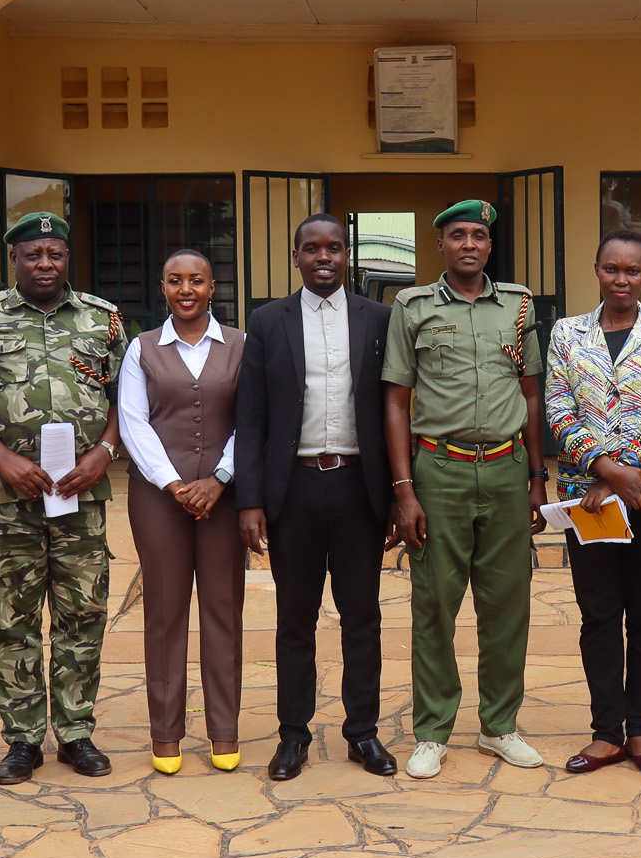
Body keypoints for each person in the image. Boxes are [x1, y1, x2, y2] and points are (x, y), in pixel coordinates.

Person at [0, 212, 126, 784]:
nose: (45, 264)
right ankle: (23, 738)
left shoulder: (102, 320)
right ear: (14, 260)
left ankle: (76, 732)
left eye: (54, 254)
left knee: (83, 613)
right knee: (14, 619)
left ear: (66, 256)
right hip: (11, 498)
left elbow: (130, 399)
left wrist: (103, 452)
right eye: (33, 255)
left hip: (83, 493)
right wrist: (3, 461)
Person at [383, 199, 548, 780]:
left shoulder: (520, 306)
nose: (470, 244)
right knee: (435, 605)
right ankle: (432, 731)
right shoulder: (412, 307)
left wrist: (535, 476)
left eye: (480, 235)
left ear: (489, 245)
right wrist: (404, 490)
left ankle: (500, 726)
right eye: (458, 235)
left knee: (508, 605)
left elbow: (531, 394)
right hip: (439, 471)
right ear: (441, 246)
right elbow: (397, 401)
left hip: (505, 471)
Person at [237, 214, 399, 781]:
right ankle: (293, 735)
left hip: (360, 487)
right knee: (294, 619)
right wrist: (250, 500)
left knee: (362, 617)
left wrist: (399, 496)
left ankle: (363, 733)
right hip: (294, 489)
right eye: (312, 249)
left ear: (347, 255)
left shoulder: (381, 318)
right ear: (296, 256)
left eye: (334, 248)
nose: (323, 257)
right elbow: (251, 416)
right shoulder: (267, 321)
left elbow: (395, 407)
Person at [544, 228, 641, 775]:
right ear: (597, 270)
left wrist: (622, 476)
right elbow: (558, 411)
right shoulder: (567, 332)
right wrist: (606, 473)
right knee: (599, 616)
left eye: (633, 270)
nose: (622, 279)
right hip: (590, 503)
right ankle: (606, 732)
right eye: (612, 269)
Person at [120, 250, 246, 775]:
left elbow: (252, 419)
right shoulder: (142, 348)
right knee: (165, 614)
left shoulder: (240, 344)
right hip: (158, 499)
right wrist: (174, 484)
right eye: (175, 280)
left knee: (222, 612)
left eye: (196, 280)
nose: (186, 288)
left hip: (225, 496)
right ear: (164, 287)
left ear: (212, 286)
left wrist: (218, 479)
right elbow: (132, 421)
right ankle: (165, 734)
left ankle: (224, 732)